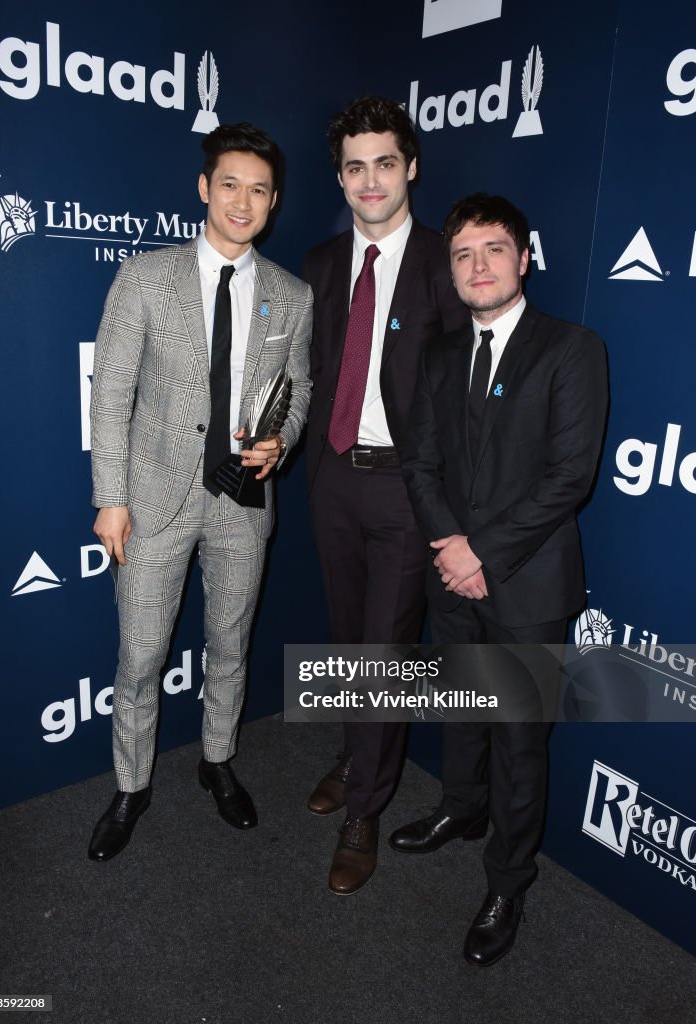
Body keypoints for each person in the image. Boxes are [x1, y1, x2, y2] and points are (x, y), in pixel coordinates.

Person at [392, 193, 608, 965]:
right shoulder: (442, 354)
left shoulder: (570, 348)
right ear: (450, 270)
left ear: (523, 258)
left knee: (520, 744)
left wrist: (478, 552)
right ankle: (459, 809)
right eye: (461, 254)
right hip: (452, 575)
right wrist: (450, 547)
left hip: (525, 584)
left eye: (492, 250)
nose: (476, 266)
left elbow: (567, 478)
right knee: (461, 710)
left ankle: (507, 882)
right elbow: (418, 461)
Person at [88, 123, 312, 862]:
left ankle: (218, 762)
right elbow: (110, 394)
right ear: (203, 188)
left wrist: (284, 439)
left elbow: (299, 386)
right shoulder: (145, 278)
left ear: (273, 201)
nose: (242, 201)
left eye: (258, 189)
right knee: (141, 653)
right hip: (153, 499)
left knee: (229, 644)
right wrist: (110, 497)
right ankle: (131, 785)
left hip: (242, 502)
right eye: (229, 184)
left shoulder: (291, 294)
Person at [303, 96, 466, 895]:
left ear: (411, 168)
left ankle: (364, 805)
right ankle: (354, 751)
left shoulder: (446, 262)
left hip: (407, 489)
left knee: (383, 657)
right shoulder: (320, 264)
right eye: (355, 167)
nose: (371, 181)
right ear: (340, 176)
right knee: (345, 641)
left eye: (385, 164)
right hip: (331, 477)